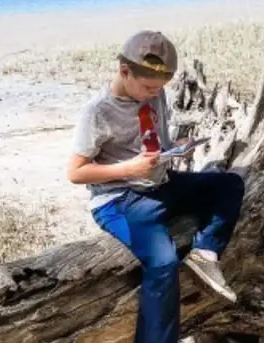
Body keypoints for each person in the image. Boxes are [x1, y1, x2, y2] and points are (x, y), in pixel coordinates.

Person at [67, 30, 245, 343]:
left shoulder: (154, 95)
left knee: (229, 185)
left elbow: (155, 145)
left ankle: (205, 253)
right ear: (124, 71)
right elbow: (76, 172)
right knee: (163, 262)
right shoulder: (98, 111)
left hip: (160, 184)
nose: (154, 93)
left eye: (159, 88)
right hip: (118, 200)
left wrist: (177, 147)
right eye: (148, 87)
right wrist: (129, 168)